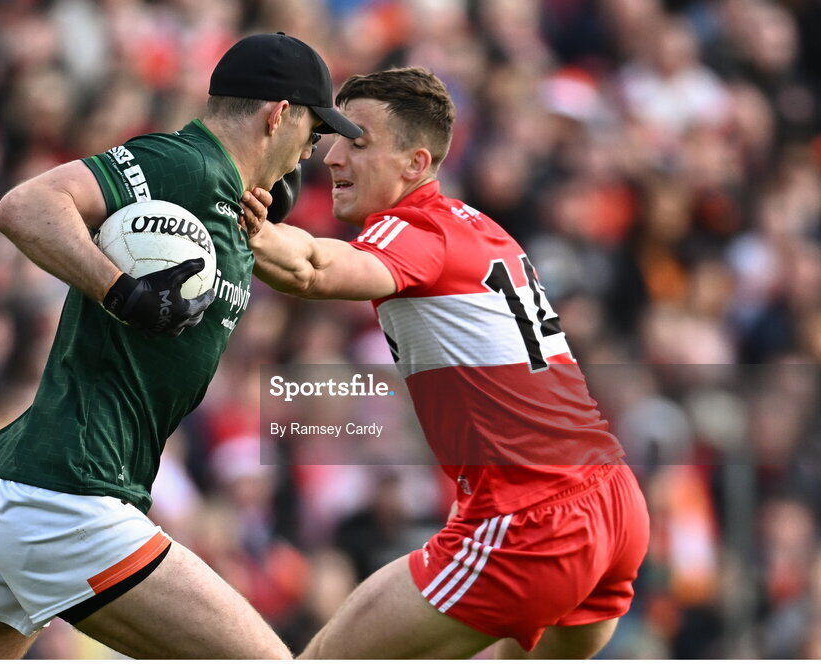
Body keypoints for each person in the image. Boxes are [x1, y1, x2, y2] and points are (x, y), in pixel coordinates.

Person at [0, 33, 361, 659]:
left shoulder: (226, 193)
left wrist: (257, 214)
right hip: (69, 494)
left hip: (14, 486)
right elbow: (25, 205)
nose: (314, 145)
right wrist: (121, 291)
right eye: (312, 126)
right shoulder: (184, 166)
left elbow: (302, 265)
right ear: (277, 115)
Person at [242, 67, 650, 659]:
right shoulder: (478, 224)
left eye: (357, 142)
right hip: (612, 502)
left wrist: (230, 215)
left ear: (415, 164)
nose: (330, 157)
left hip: (533, 519)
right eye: (332, 139)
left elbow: (311, 269)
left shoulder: (415, 227)